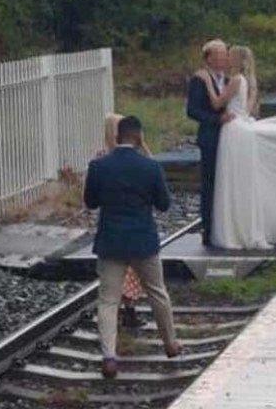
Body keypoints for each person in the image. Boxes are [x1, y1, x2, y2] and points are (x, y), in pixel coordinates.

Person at [84, 116, 182, 379]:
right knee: (157, 292)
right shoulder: (150, 167)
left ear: (117, 137)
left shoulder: (98, 166)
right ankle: (170, 344)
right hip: (143, 241)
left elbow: (91, 202)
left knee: (108, 300)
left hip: (111, 241)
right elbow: (163, 204)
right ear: (139, 137)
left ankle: (109, 357)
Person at [195, 45, 271, 249]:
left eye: (229, 56)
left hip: (232, 130)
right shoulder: (245, 81)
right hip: (240, 126)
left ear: (236, 60)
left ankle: (230, 229)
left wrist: (207, 83)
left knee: (229, 179)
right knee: (236, 180)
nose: (225, 59)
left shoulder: (235, 80)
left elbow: (218, 103)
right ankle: (238, 227)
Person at [101, 113, 150, 329]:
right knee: (129, 271)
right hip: (131, 225)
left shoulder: (103, 160)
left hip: (112, 226)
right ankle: (127, 309)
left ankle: (127, 309)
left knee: (123, 273)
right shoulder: (133, 159)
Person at [186, 39, 235, 246]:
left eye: (225, 55)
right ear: (208, 58)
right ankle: (209, 227)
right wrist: (215, 120)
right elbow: (192, 110)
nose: (223, 59)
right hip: (211, 138)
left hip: (232, 138)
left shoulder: (230, 79)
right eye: (219, 55)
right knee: (210, 182)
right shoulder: (200, 80)